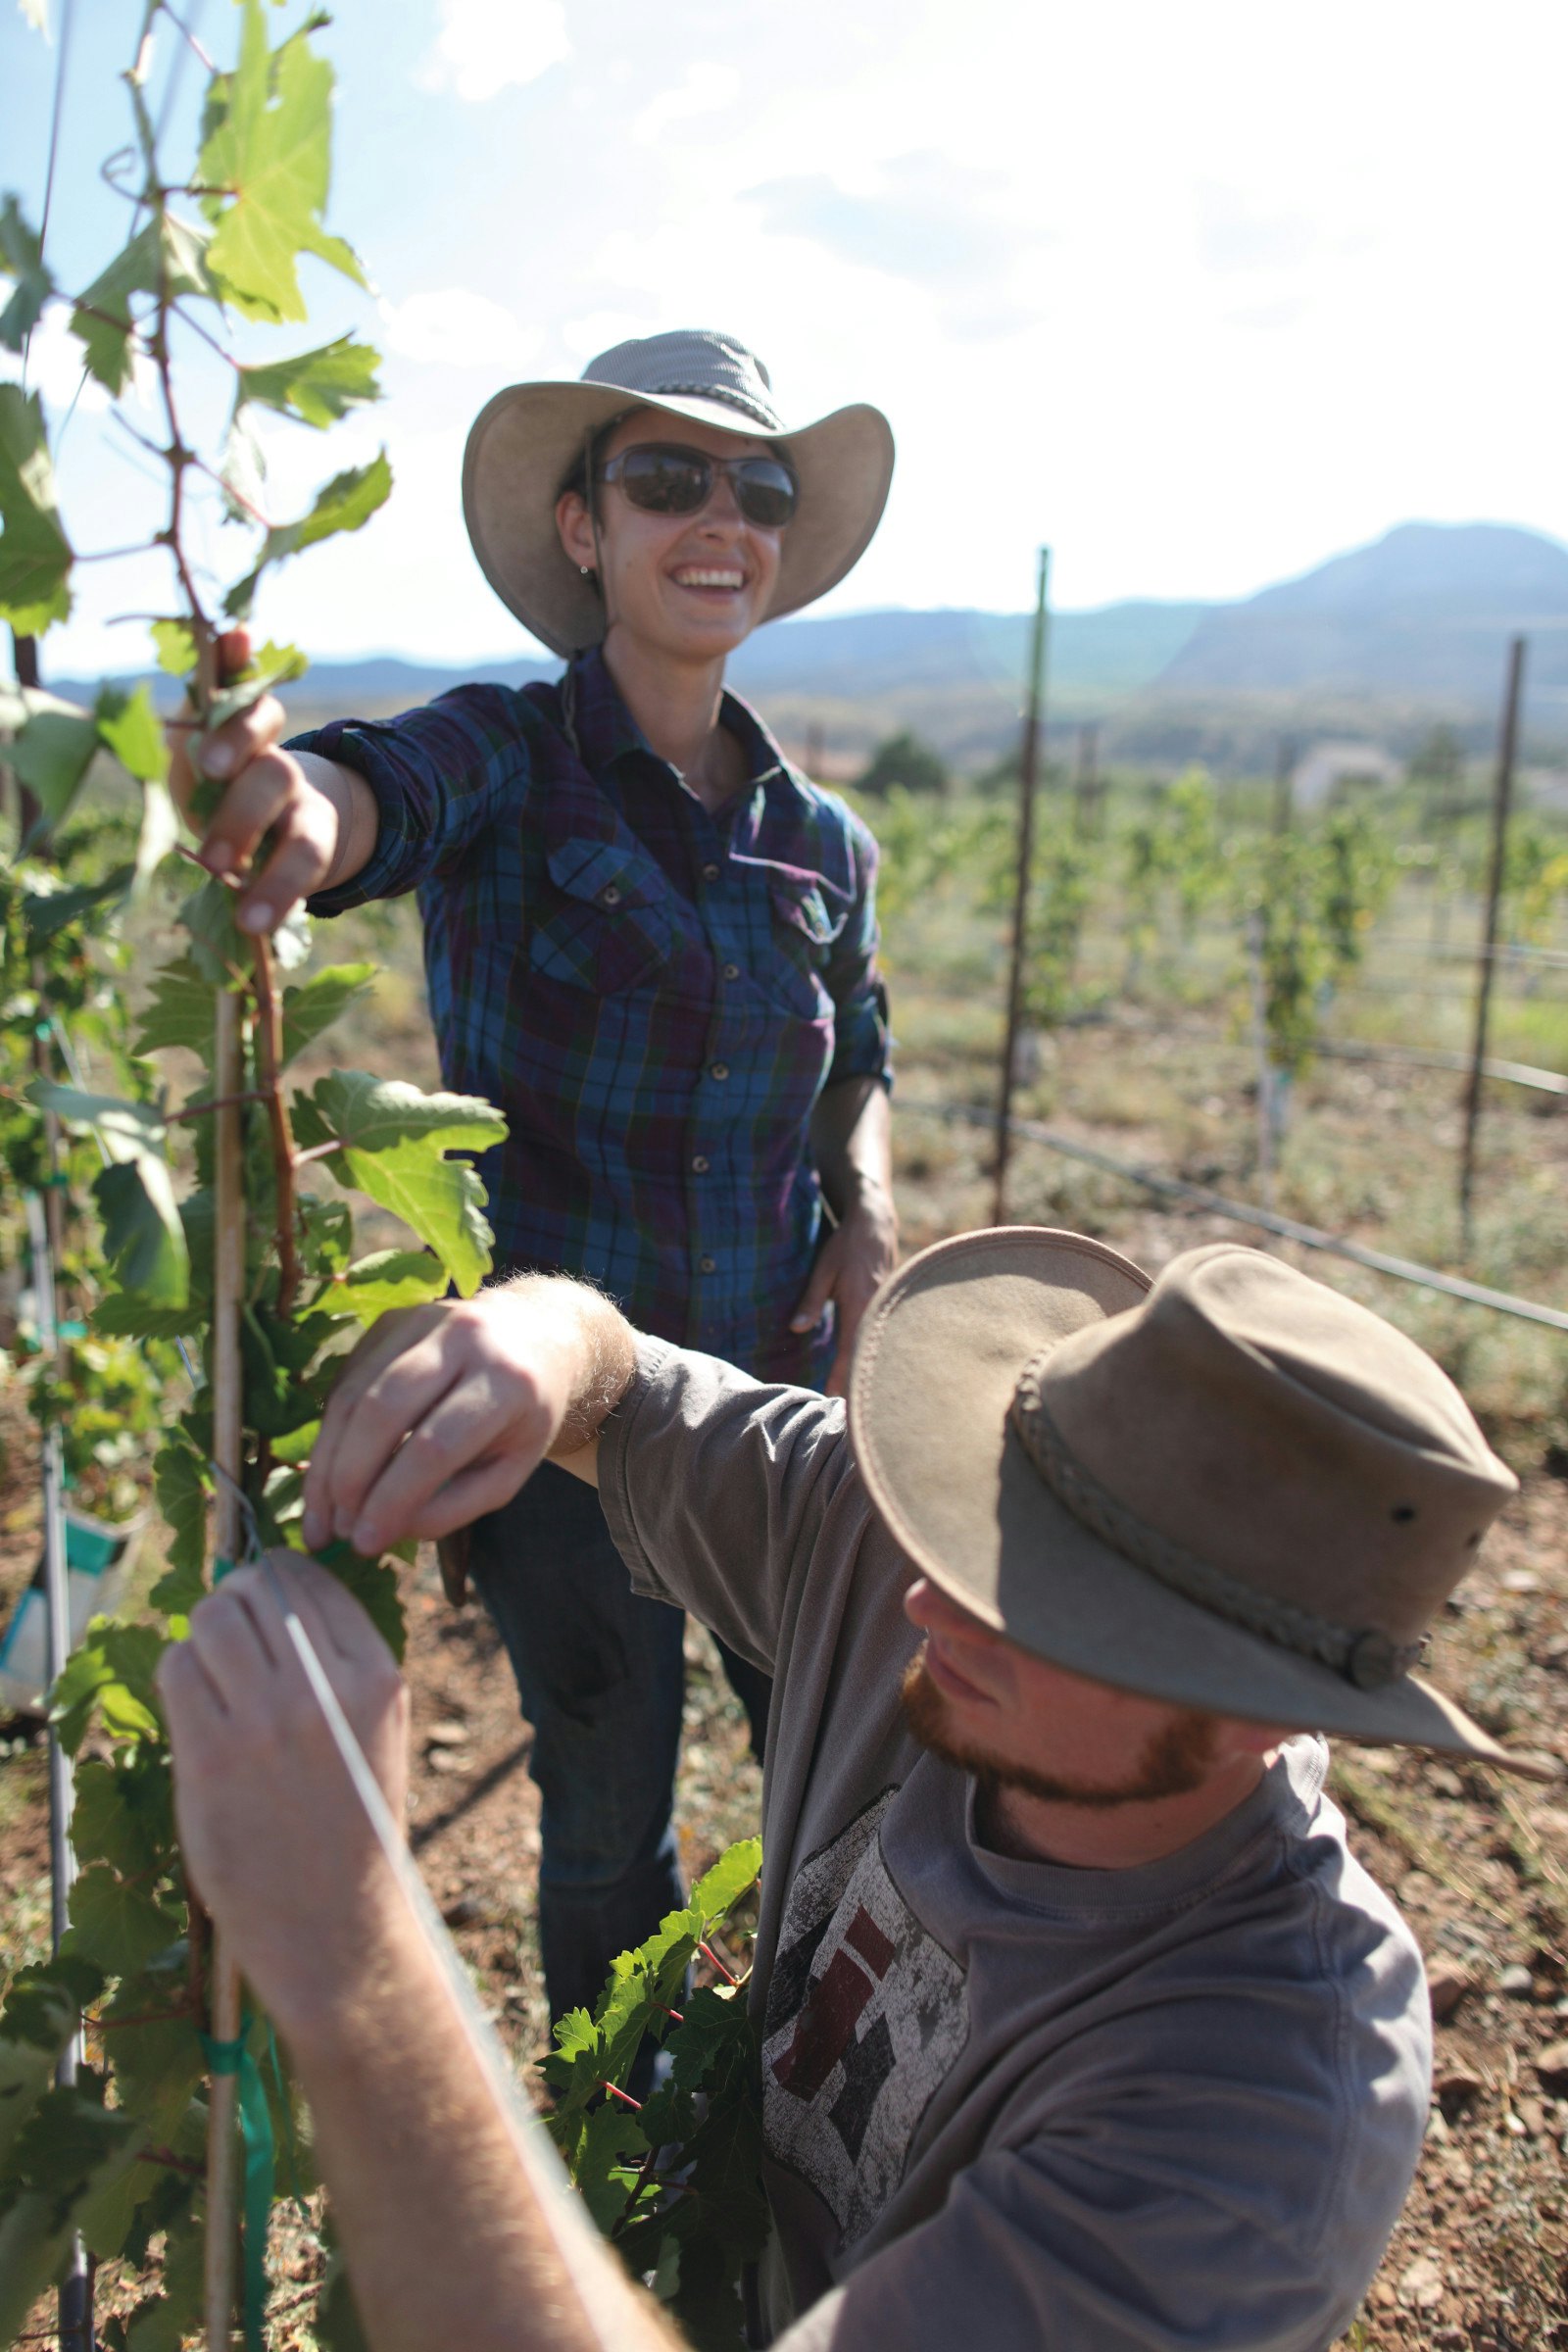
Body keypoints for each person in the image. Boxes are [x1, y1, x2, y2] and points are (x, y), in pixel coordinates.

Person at [159, 1228, 1555, 2352]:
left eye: (1050, 1606)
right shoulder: (914, 1568)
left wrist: (351, 1946)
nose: (937, 1597)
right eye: (993, 1515)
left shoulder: (1255, 2114)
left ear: (1261, 1717)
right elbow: (622, 1379)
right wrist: (530, 1339)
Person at [171, 330, 901, 2034]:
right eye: (666, 479)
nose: (718, 517)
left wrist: (862, 1212)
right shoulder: (506, 755)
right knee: (608, 1825)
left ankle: (822, 2120)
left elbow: (858, 1048)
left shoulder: (822, 841)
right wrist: (293, 807)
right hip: (557, 1438)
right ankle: (615, 2138)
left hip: (780, 1421)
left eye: (758, 488)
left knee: (854, 1792)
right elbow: (369, 797)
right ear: (583, 530)